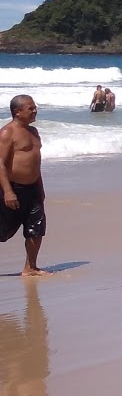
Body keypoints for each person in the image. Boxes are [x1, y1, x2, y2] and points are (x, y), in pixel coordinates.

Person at [1, 95, 47, 277]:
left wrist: (40, 188)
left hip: (33, 188)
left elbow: (36, 163)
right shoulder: (7, 133)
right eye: (30, 108)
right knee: (3, 231)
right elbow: (0, 163)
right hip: (12, 189)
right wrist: (7, 191)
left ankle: (31, 268)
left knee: (37, 227)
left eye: (35, 107)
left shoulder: (34, 132)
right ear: (17, 112)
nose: (35, 110)